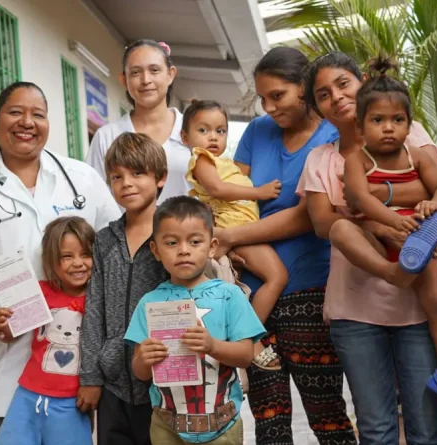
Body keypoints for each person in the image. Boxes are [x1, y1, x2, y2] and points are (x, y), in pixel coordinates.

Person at [0, 81, 120, 445]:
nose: (27, 122)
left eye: (38, 114)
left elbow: (113, 248)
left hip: (70, 367)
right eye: (16, 112)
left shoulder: (81, 179)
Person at [299, 51, 437, 444]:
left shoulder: (412, 135)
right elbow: (325, 222)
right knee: (375, 427)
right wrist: (385, 220)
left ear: (362, 82)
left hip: (419, 303)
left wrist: (371, 196)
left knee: (427, 425)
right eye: (323, 94)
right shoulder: (322, 159)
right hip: (357, 307)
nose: (336, 97)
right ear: (318, 108)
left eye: (342, 84)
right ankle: (394, 271)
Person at [212, 47, 356, 444]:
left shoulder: (332, 135)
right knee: (269, 421)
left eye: (278, 95)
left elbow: (305, 215)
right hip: (253, 296)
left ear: (305, 89)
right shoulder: (257, 131)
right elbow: (234, 194)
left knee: (327, 417)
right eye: (263, 98)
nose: (269, 107)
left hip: (310, 292)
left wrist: (233, 237)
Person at [330, 56, 437, 407]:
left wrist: (433, 205)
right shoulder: (358, 161)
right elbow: (361, 198)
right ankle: (394, 272)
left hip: (417, 240)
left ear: (409, 125)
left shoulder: (416, 156)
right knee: (340, 229)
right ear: (361, 128)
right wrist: (393, 222)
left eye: (397, 120)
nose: (389, 128)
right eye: (378, 120)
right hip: (380, 238)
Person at [125, 196, 266, 445]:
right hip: (166, 427)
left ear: (211, 247)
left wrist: (213, 346)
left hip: (223, 427)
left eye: (195, 241)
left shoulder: (230, 295)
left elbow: (246, 355)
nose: (183, 250)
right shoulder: (149, 302)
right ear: (156, 250)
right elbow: (140, 372)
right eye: (171, 242)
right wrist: (144, 359)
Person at [79, 132, 170, 445]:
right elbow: (94, 309)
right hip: (112, 383)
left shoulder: (173, 235)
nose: (126, 183)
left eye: (137, 173)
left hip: (164, 383)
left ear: (161, 178)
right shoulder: (105, 240)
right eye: (117, 176)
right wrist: (90, 376)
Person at [181, 99, 286, 370]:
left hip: (242, 232)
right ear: (185, 137)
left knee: (237, 289)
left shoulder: (222, 161)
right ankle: (250, 340)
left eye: (220, 130)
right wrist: (258, 192)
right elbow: (216, 190)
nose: (213, 137)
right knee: (276, 277)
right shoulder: (201, 159)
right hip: (234, 229)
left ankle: (244, 337)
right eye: (203, 130)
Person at [0, 216, 96, 445]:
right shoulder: (39, 292)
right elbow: (11, 332)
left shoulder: (99, 298)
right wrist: (2, 323)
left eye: (85, 254)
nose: (78, 263)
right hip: (28, 395)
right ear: (51, 260)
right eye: (67, 256)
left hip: (72, 401)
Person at [86, 39, 191, 203]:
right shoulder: (107, 136)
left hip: (190, 228)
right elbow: (94, 197)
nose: (145, 80)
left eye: (154, 70)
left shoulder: (193, 130)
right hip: (122, 229)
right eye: (135, 72)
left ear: (170, 75)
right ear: (123, 80)